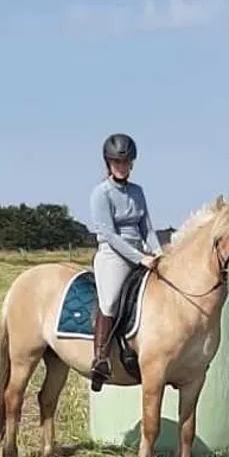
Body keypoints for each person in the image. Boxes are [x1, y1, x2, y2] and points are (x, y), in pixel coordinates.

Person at [88, 132, 163, 391]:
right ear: (108, 163)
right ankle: (100, 358)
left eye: (126, 162)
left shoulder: (137, 192)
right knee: (109, 300)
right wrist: (140, 258)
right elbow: (108, 233)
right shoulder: (101, 193)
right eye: (117, 162)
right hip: (113, 254)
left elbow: (148, 229)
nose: (122, 167)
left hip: (141, 254)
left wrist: (158, 253)